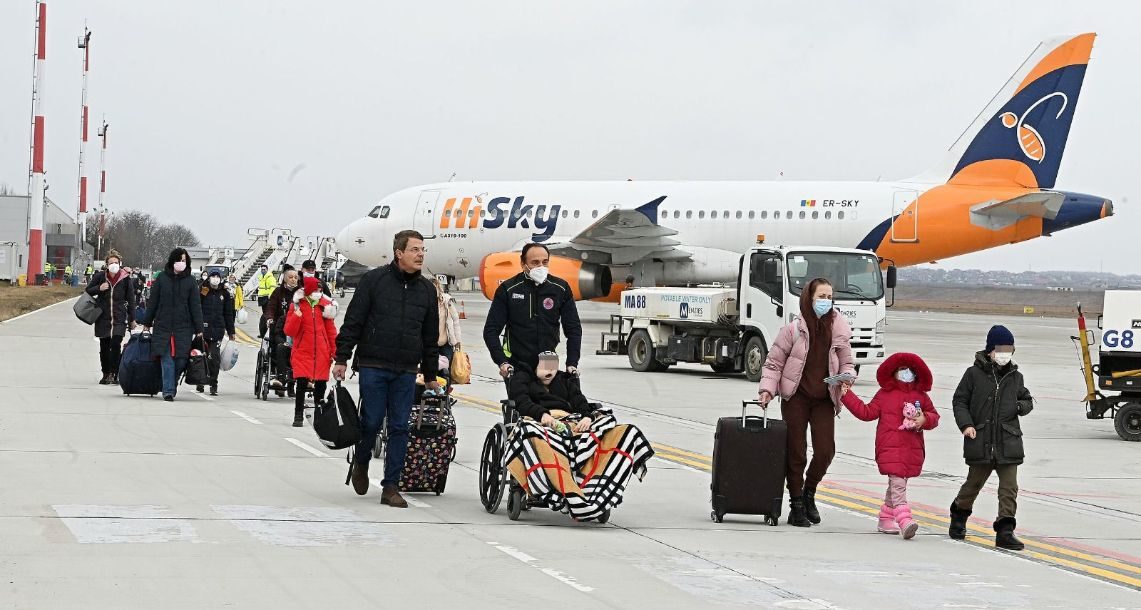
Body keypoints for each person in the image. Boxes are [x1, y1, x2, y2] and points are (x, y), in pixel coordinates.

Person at [334, 230, 440, 509]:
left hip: (406, 369)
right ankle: (361, 461)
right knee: (370, 422)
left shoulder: (427, 290)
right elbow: (354, 320)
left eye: (423, 250)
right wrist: (342, 358)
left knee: (400, 427)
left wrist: (430, 375)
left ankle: (391, 486)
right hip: (373, 364)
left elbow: (430, 336)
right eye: (415, 249)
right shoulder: (374, 281)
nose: (420, 254)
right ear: (399, 253)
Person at [503, 351, 655, 521]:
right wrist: (542, 415)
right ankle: (563, 487)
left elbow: (581, 402)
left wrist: (587, 417)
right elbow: (522, 402)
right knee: (533, 435)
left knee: (620, 431)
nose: (550, 371)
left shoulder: (564, 381)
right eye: (545, 367)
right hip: (540, 423)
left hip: (571, 423)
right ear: (535, 367)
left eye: (553, 367)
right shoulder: (523, 380)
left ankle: (596, 486)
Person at [757, 277, 855, 527]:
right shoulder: (793, 330)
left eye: (829, 297)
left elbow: (847, 363)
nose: (826, 301)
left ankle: (809, 492)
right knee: (796, 452)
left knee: (825, 451)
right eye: (821, 296)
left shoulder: (839, 329)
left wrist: (846, 378)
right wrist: (767, 390)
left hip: (824, 399)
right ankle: (796, 504)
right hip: (796, 397)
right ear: (809, 299)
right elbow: (774, 363)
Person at [948, 325, 1034, 551]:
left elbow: (1027, 400)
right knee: (973, 485)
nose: (1005, 354)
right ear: (990, 350)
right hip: (981, 439)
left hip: (1008, 442)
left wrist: (1020, 406)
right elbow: (960, 401)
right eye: (1001, 349)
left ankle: (1005, 531)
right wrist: (966, 424)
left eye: (1009, 349)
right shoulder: (973, 374)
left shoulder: (1015, 377)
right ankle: (959, 516)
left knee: (1009, 489)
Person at [839, 352, 940, 539]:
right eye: (901, 369)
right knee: (898, 485)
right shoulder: (884, 395)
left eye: (909, 370)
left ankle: (885, 518)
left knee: (896, 486)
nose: (905, 373)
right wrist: (847, 395)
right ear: (893, 372)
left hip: (912, 449)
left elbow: (934, 417)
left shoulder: (921, 396)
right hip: (890, 448)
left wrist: (924, 419)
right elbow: (866, 413)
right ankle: (905, 520)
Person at [483, 243, 583, 378]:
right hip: (516, 363)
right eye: (535, 262)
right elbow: (491, 330)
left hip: (548, 360)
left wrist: (572, 363)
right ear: (523, 264)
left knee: (553, 392)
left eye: (545, 262)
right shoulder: (508, 289)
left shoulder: (561, 288)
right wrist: (502, 361)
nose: (541, 266)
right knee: (522, 392)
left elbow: (574, 329)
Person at [140, 248, 204, 402]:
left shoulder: (190, 281)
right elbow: (153, 302)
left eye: (184, 260)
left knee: (181, 360)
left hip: (184, 327)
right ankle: (168, 391)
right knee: (167, 358)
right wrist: (147, 322)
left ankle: (171, 383)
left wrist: (199, 328)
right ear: (172, 261)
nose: (182, 263)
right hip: (163, 325)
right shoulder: (162, 278)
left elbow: (195, 306)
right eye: (179, 260)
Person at [284, 276, 338, 427]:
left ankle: (319, 416)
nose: (319, 292)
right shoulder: (296, 306)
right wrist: (297, 317)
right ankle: (298, 415)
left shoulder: (325, 307)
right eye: (316, 289)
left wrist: (335, 352)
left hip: (321, 352)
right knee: (301, 383)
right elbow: (289, 331)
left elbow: (331, 332)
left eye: (320, 290)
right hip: (302, 351)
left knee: (321, 385)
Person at [85, 251, 136, 385]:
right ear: (107, 265)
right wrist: (99, 288)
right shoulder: (100, 276)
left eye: (116, 263)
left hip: (119, 318)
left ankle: (115, 373)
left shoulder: (125, 278)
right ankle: (106, 373)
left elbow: (131, 299)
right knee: (105, 346)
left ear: (120, 264)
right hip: (103, 317)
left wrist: (132, 319)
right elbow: (88, 290)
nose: (114, 265)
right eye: (111, 263)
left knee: (116, 344)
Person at [198, 270, 236, 396]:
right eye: (213, 276)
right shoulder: (204, 290)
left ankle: (213, 383)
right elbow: (196, 307)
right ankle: (201, 380)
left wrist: (231, 331)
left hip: (218, 330)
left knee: (215, 358)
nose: (215, 278)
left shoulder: (224, 293)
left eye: (217, 276)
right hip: (204, 330)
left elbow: (228, 314)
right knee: (202, 356)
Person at [265, 269, 301, 393]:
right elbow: (271, 307)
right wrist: (269, 318)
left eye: (296, 277)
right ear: (285, 279)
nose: (293, 279)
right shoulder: (278, 292)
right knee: (280, 347)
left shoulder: (301, 293)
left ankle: (293, 384)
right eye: (291, 277)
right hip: (280, 325)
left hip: (297, 326)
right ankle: (280, 378)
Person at [430, 277, 463, 369]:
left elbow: (455, 321)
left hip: (446, 344)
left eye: (435, 287)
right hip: (430, 345)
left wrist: (458, 341)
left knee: (447, 371)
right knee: (432, 371)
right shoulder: (425, 303)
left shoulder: (446, 302)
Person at [256, 264, 277, 338]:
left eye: (264, 269)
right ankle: (264, 332)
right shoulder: (261, 277)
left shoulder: (270, 278)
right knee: (265, 315)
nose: (263, 271)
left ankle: (264, 332)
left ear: (267, 270)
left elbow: (272, 288)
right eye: (262, 269)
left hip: (267, 298)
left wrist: (270, 298)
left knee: (266, 315)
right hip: (262, 298)